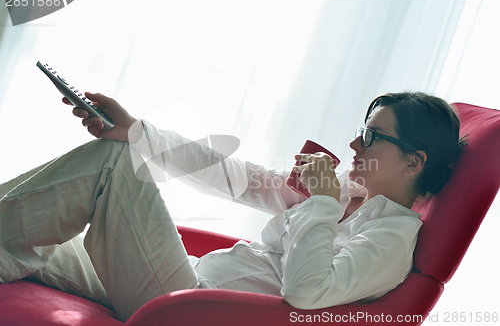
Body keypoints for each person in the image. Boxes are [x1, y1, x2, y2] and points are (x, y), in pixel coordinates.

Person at [0, 91, 466, 321]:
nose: (353, 144)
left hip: (187, 310)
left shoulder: (390, 241)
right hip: (185, 276)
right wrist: (138, 130)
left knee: (111, 164)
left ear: (413, 162)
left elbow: (306, 292)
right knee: (28, 245)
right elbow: (238, 178)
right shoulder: (345, 190)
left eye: (369, 135)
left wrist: (322, 204)